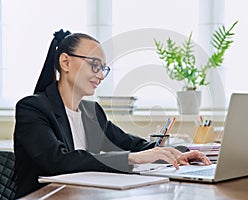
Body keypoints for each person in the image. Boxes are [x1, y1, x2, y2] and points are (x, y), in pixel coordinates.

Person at [13, 29, 211, 198]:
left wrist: (180, 152)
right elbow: (57, 161)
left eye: (103, 68)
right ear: (65, 62)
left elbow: (130, 143)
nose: (100, 75)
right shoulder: (32, 109)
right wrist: (132, 158)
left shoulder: (92, 112)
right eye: (94, 65)